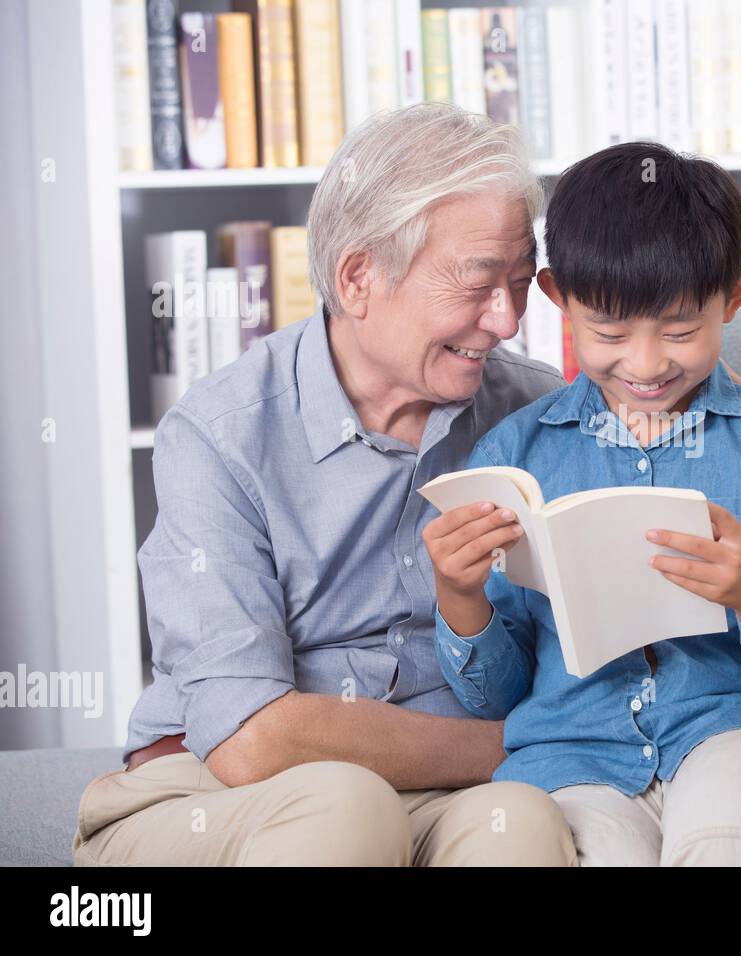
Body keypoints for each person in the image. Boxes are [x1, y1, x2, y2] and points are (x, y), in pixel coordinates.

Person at [73, 104, 576, 866]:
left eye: (519, 284)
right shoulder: (219, 433)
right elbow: (250, 738)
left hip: (451, 793)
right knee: (346, 808)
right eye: (478, 285)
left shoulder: (534, 411)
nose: (505, 321)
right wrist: (528, 738)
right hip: (219, 792)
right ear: (358, 276)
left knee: (524, 825)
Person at [422, 142, 741, 866]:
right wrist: (460, 598)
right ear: (558, 300)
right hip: (573, 753)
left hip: (729, 726)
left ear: (738, 295)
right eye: (610, 334)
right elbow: (494, 697)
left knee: (725, 837)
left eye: (680, 332)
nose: (646, 364)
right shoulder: (513, 456)